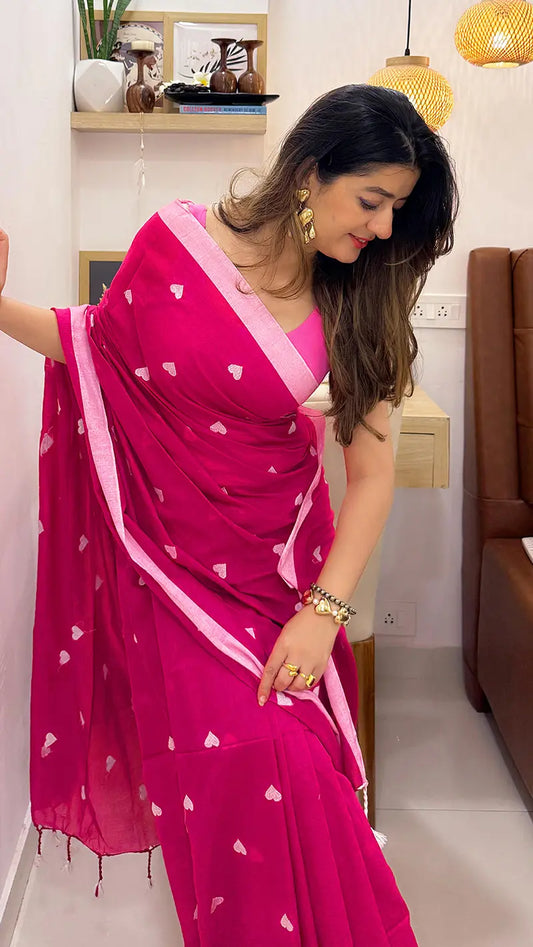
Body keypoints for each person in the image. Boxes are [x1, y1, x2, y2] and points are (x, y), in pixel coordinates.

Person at [0, 84, 458, 945]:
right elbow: (95, 350)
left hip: (276, 574)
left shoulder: (356, 298)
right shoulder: (172, 243)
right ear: (311, 171)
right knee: (228, 782)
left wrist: (323, 613)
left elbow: (371, 476)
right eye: (371, 200)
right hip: (170, 571)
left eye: (397, 209)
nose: (383, 227)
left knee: (299, 773)